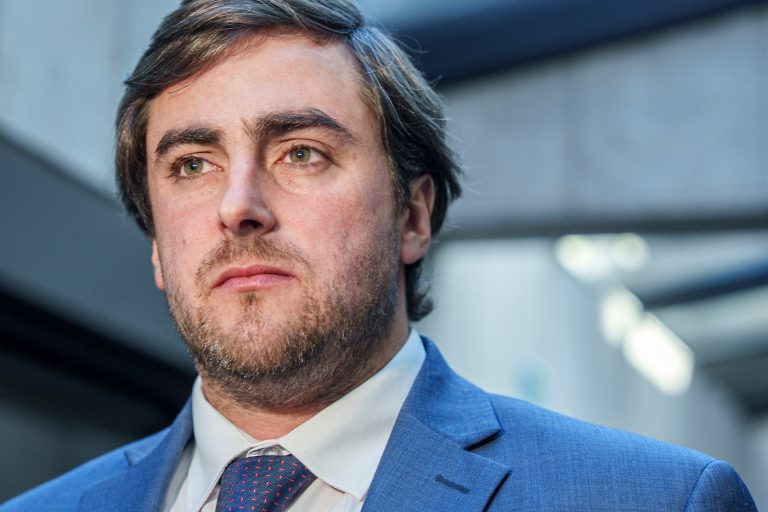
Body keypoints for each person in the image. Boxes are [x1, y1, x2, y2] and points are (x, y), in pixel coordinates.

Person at [2, 0, 757, 510]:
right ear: (157, 245)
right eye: (192, 165)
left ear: (413, 215)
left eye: (301, 153)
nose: (238, 206)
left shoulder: (653, 500)